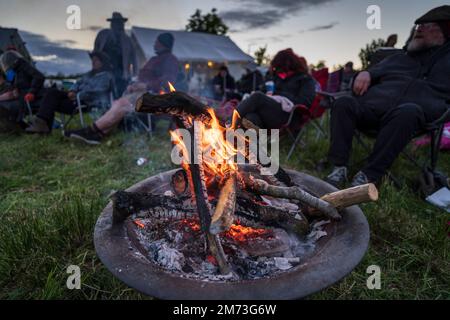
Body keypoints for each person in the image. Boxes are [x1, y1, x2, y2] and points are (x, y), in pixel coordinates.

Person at [325, 5, 450, 188]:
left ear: (444, 31)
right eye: (417, 26)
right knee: (344, 102)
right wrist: (364, 74)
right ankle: (339, 167)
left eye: (427, 25)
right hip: (371, 111)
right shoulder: (399, 58)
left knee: (409, 111)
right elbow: (370, 73)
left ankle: (369, 175)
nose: (419, 29)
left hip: (409, 119)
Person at [65, 33, 180, 145]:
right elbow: (143, 78)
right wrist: (134, 84)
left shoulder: (170, 60)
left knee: (122, 104)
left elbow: (168, 80)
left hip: (155, 97)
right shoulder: (154, 59)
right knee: (117, 104)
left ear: (164, 44)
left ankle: (90, 130)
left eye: (157, 42)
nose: (154, 44)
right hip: (141, 92)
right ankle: (97, 134)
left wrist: (146, 86)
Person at [25, 51, 114, 133]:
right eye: (92, 60)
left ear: (103, 62)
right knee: (50, 94)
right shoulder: (89, 75)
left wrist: (78, 95)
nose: (93, 62)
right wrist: (72, 90)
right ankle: (42, 124)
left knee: (52, 95)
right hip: (74, 99)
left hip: (84, 103)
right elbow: (77, 83)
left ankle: (42, 125)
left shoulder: (106, 76)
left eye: (96, 60)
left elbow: (98, 91)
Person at [235, 48, 316, 129]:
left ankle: (227, 124)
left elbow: (304, 103)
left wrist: (278, 95)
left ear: (289, 65)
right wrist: (266, 90)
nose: (277, 71)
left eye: (279, 68)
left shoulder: (305, 80)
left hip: (289, 117)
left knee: (258, 97)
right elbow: (265, 92)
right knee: (251, 118)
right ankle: (265, 141)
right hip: (269, 114)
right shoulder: (277, 78)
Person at [94, 12, 137, 96]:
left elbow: (134, 59)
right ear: (112, 24)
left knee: (119, 96)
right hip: (103, 72)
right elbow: (95, 52)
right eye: (116, 23)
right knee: (101, 95)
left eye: (121, 23)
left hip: (121, 75)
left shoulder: (128, 41)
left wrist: (134, 75)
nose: (119, 25)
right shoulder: (102, 35)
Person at [0, 50, 45, 121]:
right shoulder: (16, 72)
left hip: (32, 100)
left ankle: (14, 124)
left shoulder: (23, 66)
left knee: (3, 105)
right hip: (22, 100)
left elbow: (39, 77)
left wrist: (31, 92)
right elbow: (19, 88)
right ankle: (13, 124)